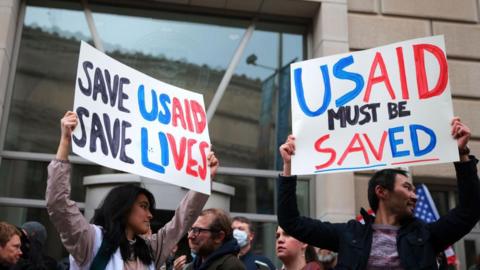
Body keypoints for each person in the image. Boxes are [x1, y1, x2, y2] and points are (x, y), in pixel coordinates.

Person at [277, 117, 480, 269]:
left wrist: (462, 155)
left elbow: (469, 211)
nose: (414, 196)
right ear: (382, 191)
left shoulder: (426, 235)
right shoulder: (349, 234)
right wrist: (289, 166)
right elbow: (290, 222)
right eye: (407, 188)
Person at [46, 111, 219, 269]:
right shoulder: (91, 241)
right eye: (143, 206)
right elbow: (58, 204)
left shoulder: (150, 251)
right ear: (123, 208)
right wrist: (65, 142)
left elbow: (184, 218)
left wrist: (205, 178)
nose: (150, 215)